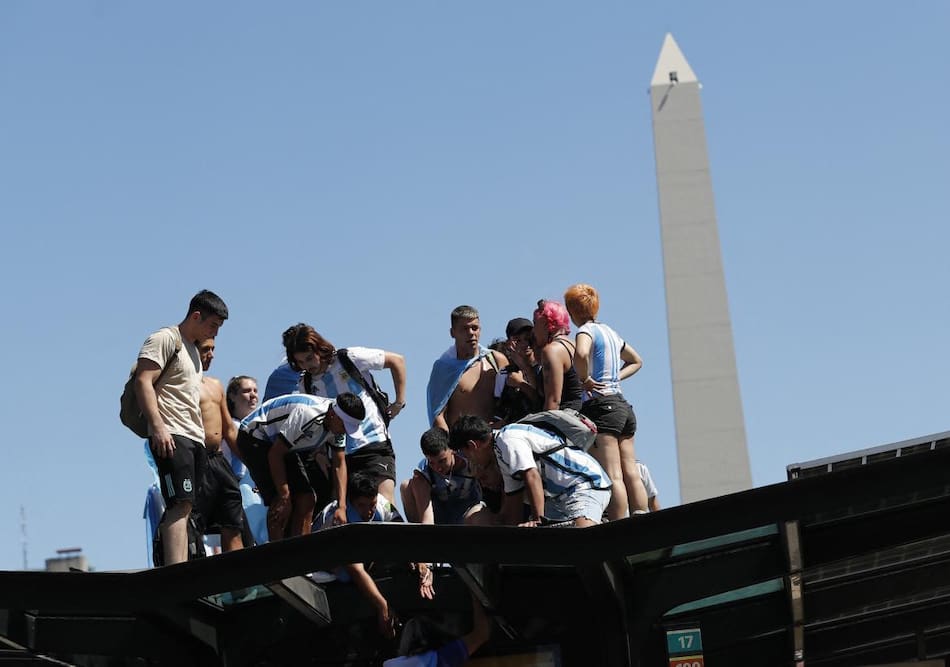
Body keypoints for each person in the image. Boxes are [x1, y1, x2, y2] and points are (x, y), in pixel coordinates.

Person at [134, 289, 228, 566]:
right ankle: (176, 570)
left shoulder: (194, 352)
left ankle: (181, 564)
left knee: (188, 507)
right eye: (213, 325)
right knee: (180, 503)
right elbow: (143, 381)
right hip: (172, 433)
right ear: (196, 316)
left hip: (194, 437)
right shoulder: (165, 339)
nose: (215, 333)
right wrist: (158, 427)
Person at [283, 323, 407, 510]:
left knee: (384, 506)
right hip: (340, 457)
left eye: (309, 358)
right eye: (301, 362)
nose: (308, 366)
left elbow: (397, 360)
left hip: (374, 443)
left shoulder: (349, 358)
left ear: (319, 348)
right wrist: (320, 452)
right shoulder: (305, 384)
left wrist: (399, 402)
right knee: (348, 513)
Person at [313, 472, 434, 638]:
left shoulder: (382, 505)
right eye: (361, 505)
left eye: (372, 504)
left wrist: (421, 564)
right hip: (326, 574)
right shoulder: (339, 520)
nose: (369, 511)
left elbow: (403, 536)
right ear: (351, 502)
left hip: (361, 561)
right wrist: (382, 606)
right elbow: (355, 570)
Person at [564, 283, 647, 520]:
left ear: (572, 311)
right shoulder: (611, 332)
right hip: (622, 405)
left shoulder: (585, 331)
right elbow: (636, 361)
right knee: (631, 470)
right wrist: (615, 377)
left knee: (613, 474)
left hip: (602, 407)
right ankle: (642, 514)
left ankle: (619, 523)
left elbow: (581, 353)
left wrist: (585, 379)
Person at [237, 392, 364, 540]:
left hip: (283, 444)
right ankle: (275, 551)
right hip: (254, 437)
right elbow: (275, 454)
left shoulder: (337, 423)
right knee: (280, 500)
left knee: (307, 499)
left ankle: (300, 551)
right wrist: (284, 495)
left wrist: (342, 506)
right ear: (332, 415)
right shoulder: (308, 414)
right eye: (344, 426)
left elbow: (339, 463)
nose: (345, 431)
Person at [448, 415, 611, 528]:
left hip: (584, 485)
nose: (469, 460)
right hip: (559, 498)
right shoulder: (501, 454)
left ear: (473, 445)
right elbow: (514, 499)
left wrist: (538, 520)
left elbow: (531, 475)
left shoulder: (507, 438)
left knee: (582, 538)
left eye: (465, 453)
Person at [195, 338, 246, 552]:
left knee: (233, 522)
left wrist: (252, 463)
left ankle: (239, 574)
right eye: (206, 349)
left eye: (213, 349)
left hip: (219, 461)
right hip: (195, 461)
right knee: (193, 526)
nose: (211, 355)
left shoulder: (215, 385)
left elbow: (229, 430)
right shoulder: (179, 387)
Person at [427, 305, 508, 431]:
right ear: (452, 333)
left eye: (474, 328)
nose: (471, 333)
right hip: (462, 441)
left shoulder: (496, 360)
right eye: (464, 329)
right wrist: (448, 443)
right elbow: (437, 415)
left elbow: (511, 401)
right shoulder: (444, 368)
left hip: (496, 439)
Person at [400, 427, 485, 525]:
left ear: (452, 450)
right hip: (440, 517)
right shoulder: (423, 474)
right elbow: (427, 519)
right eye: (432, 463)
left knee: (481, 515)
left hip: (468, 514)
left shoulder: (470, 461)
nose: (438, 468)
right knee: (406, 485)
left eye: (442, 461)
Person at [532, 300, 583, 412]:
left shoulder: (552, 350)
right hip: (582, 413)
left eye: (535, 323)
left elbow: (553, 402)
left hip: (566, 414)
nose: (533, 330)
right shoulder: (574, 345)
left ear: (546, 323)